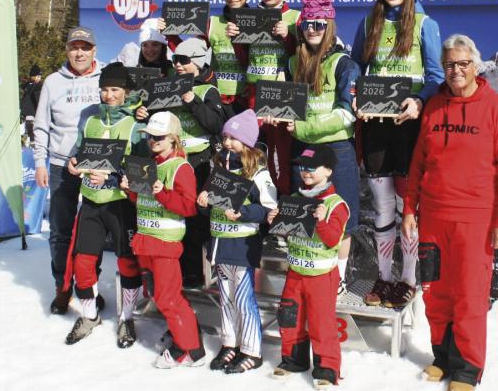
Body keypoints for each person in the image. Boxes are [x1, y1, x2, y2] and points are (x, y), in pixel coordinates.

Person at [401, 35, 498, 390]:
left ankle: (467, 369)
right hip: (434, 217)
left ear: (475, 66)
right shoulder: (434, 107)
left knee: (469, 294)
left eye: (463, 64)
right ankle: (443, 357)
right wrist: (409, 209)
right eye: (450, 64)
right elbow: (418, 162)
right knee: (436, 291)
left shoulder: (496, 108)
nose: (456, 70)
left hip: (475, 218)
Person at [351, 0, 445, 308]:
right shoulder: (368, 22)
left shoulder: (424, 24)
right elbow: (356, 67)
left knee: (408, 206)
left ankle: (407, 279)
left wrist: (419, 102)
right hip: (376, 124)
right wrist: (355, 92)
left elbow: (435, 76)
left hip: (408, 127)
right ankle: (384, 276)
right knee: (382, 206)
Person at [276, 0, 360, 294]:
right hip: (302, 148)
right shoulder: (291, 61)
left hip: (336, 149)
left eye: (319, 24)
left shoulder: (343, 63)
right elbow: (284, 101)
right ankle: (305, 272)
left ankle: (338, 279)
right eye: (307, 24)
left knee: (342, 217)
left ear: (330, 26)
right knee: (304, 213)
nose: (312, 29)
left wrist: (304, 126)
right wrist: (277, 113)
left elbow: (347, 115)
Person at [62, 62, 146, 347]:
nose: (108, 95)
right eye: (105, 90)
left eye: (115, 90)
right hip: (91, 201)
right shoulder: (90, 120)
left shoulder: (135, 124)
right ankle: (89, 316)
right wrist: (73, 164)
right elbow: (78, 152)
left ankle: (127, 319)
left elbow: (143, 172)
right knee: (83, 262)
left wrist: (114, 177)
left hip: (120, 204)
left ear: (126, 92)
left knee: (128, 263)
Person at [120, 111, 206, 368]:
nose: (152, 141)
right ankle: (189, 342)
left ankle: (186, 349)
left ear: (173, 138)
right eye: (149, 136)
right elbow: (142, 200)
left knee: (168, 298)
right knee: (161, 295)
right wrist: (129, 190)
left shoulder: (181, 167)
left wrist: (163, 193)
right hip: (146, 239)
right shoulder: (149, 164)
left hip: (165, 243)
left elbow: (189, 207)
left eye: (158, 137)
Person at [196, 109, 278, 374]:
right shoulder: (218, 168)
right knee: (226, 299)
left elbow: (269, 210)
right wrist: (203, 203)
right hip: (220, 243)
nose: (228, 143)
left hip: (242, 245)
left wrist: (244, 212)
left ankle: (252, 350)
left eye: (234, 138)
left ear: (247, 142)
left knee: (243, 300)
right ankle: (229, 343)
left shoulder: (258, 174)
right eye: (225, 137)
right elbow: (211, 208)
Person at [33, 26, 102, 315]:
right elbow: (41, 125)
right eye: (74, 47)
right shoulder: (52, 82)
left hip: (97, 165)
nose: (79, 53)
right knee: (60, 231)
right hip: (60, 165)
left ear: (94, 51)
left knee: (93, 232)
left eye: (85, 48)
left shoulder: (105, 77)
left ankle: (89, 288)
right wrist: (40, 162)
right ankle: (62, 288)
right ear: (67, 50)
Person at [268, 145, 349, 389]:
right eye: (303, 166)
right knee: (289, 317)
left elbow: (333, 240)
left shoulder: (335, 204)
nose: (306, 171)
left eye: (312, 167)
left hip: (321, 276)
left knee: (321, 323)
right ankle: (293, 360)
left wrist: (321, 221)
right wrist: (275, 221)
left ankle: (327, 369)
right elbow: (287, 233)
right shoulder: (296, 198)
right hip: (295, 272)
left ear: (328, 170)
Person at [169, 38, 227, 286]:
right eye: (175, 59)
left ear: (198, 62)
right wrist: (145, 112)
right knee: (175, 212)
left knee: (195, 215)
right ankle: (178, 269)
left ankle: (196, 271)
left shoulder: (207, 90)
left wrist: (193, 101)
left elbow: (216, 125)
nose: (178, 64)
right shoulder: (169, 86)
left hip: (199, 160)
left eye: (183, 60)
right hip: (173, 159)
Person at [247, 0, 299, 195]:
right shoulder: (251, 17)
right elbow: (243, 57)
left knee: (282, 153)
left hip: (283, 94)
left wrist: (289, 37)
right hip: (254, 93)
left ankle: (284, 203)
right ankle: (259, 207)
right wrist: (236, 39)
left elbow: (305, 56)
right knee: (254, 151)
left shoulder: (295, 17)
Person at [209, 0, 252, 116]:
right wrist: (170, 34)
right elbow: (190, 54)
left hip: (247, 98)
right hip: (219, 100)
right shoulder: (212, 22)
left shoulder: (260, 21)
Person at [20, 64, 43, 142]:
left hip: (27, 113)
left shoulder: (28, 86)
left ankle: (30, 140)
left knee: (30, 128)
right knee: (32, 128)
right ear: (34, 76)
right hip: (33, 112)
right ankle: (32, 141)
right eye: (38, 76)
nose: (40, 78)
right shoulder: (37, 86)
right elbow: (38, 100)